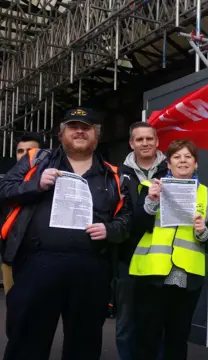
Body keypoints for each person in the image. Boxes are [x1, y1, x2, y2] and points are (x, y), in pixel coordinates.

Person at [0, 107, 131, 360]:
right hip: (38, 264)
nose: (80, 131)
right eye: (73, 126)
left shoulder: (113, 175)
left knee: (84, 344)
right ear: (61, 135)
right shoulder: (35, 161)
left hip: (91, 269)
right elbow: (4, 189)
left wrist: (110, 229)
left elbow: (126, 219)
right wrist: (35, 184)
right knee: (27, 341)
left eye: (87, 127)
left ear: (97, 135)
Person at [129, 139, 208, 360]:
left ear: (196, 164)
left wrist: (202, 231)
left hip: (187, 276)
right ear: (169, 163)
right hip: (152, 272)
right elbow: (136, 225)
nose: (183, 161)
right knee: (147, 336)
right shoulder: (151, 187)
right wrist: (151, 202)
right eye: (177, 157)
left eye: (188, 157)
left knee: (178, 338)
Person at [117, 122, 168, 360]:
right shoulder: (118, 174)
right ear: (131, 143)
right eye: (140, 139)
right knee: (126, 322)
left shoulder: (172, 170)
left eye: (149, 139)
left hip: (162, 256)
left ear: (157, 141)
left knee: (158, 321)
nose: (145, 143)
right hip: (127, 256)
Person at [1, 133, 43, 294]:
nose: (25, 155)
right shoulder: (6, 184)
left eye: (31, 150)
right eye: (20, 151)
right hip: (10, 255)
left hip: (39, 256)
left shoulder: (50, 179)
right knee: (14, 308)